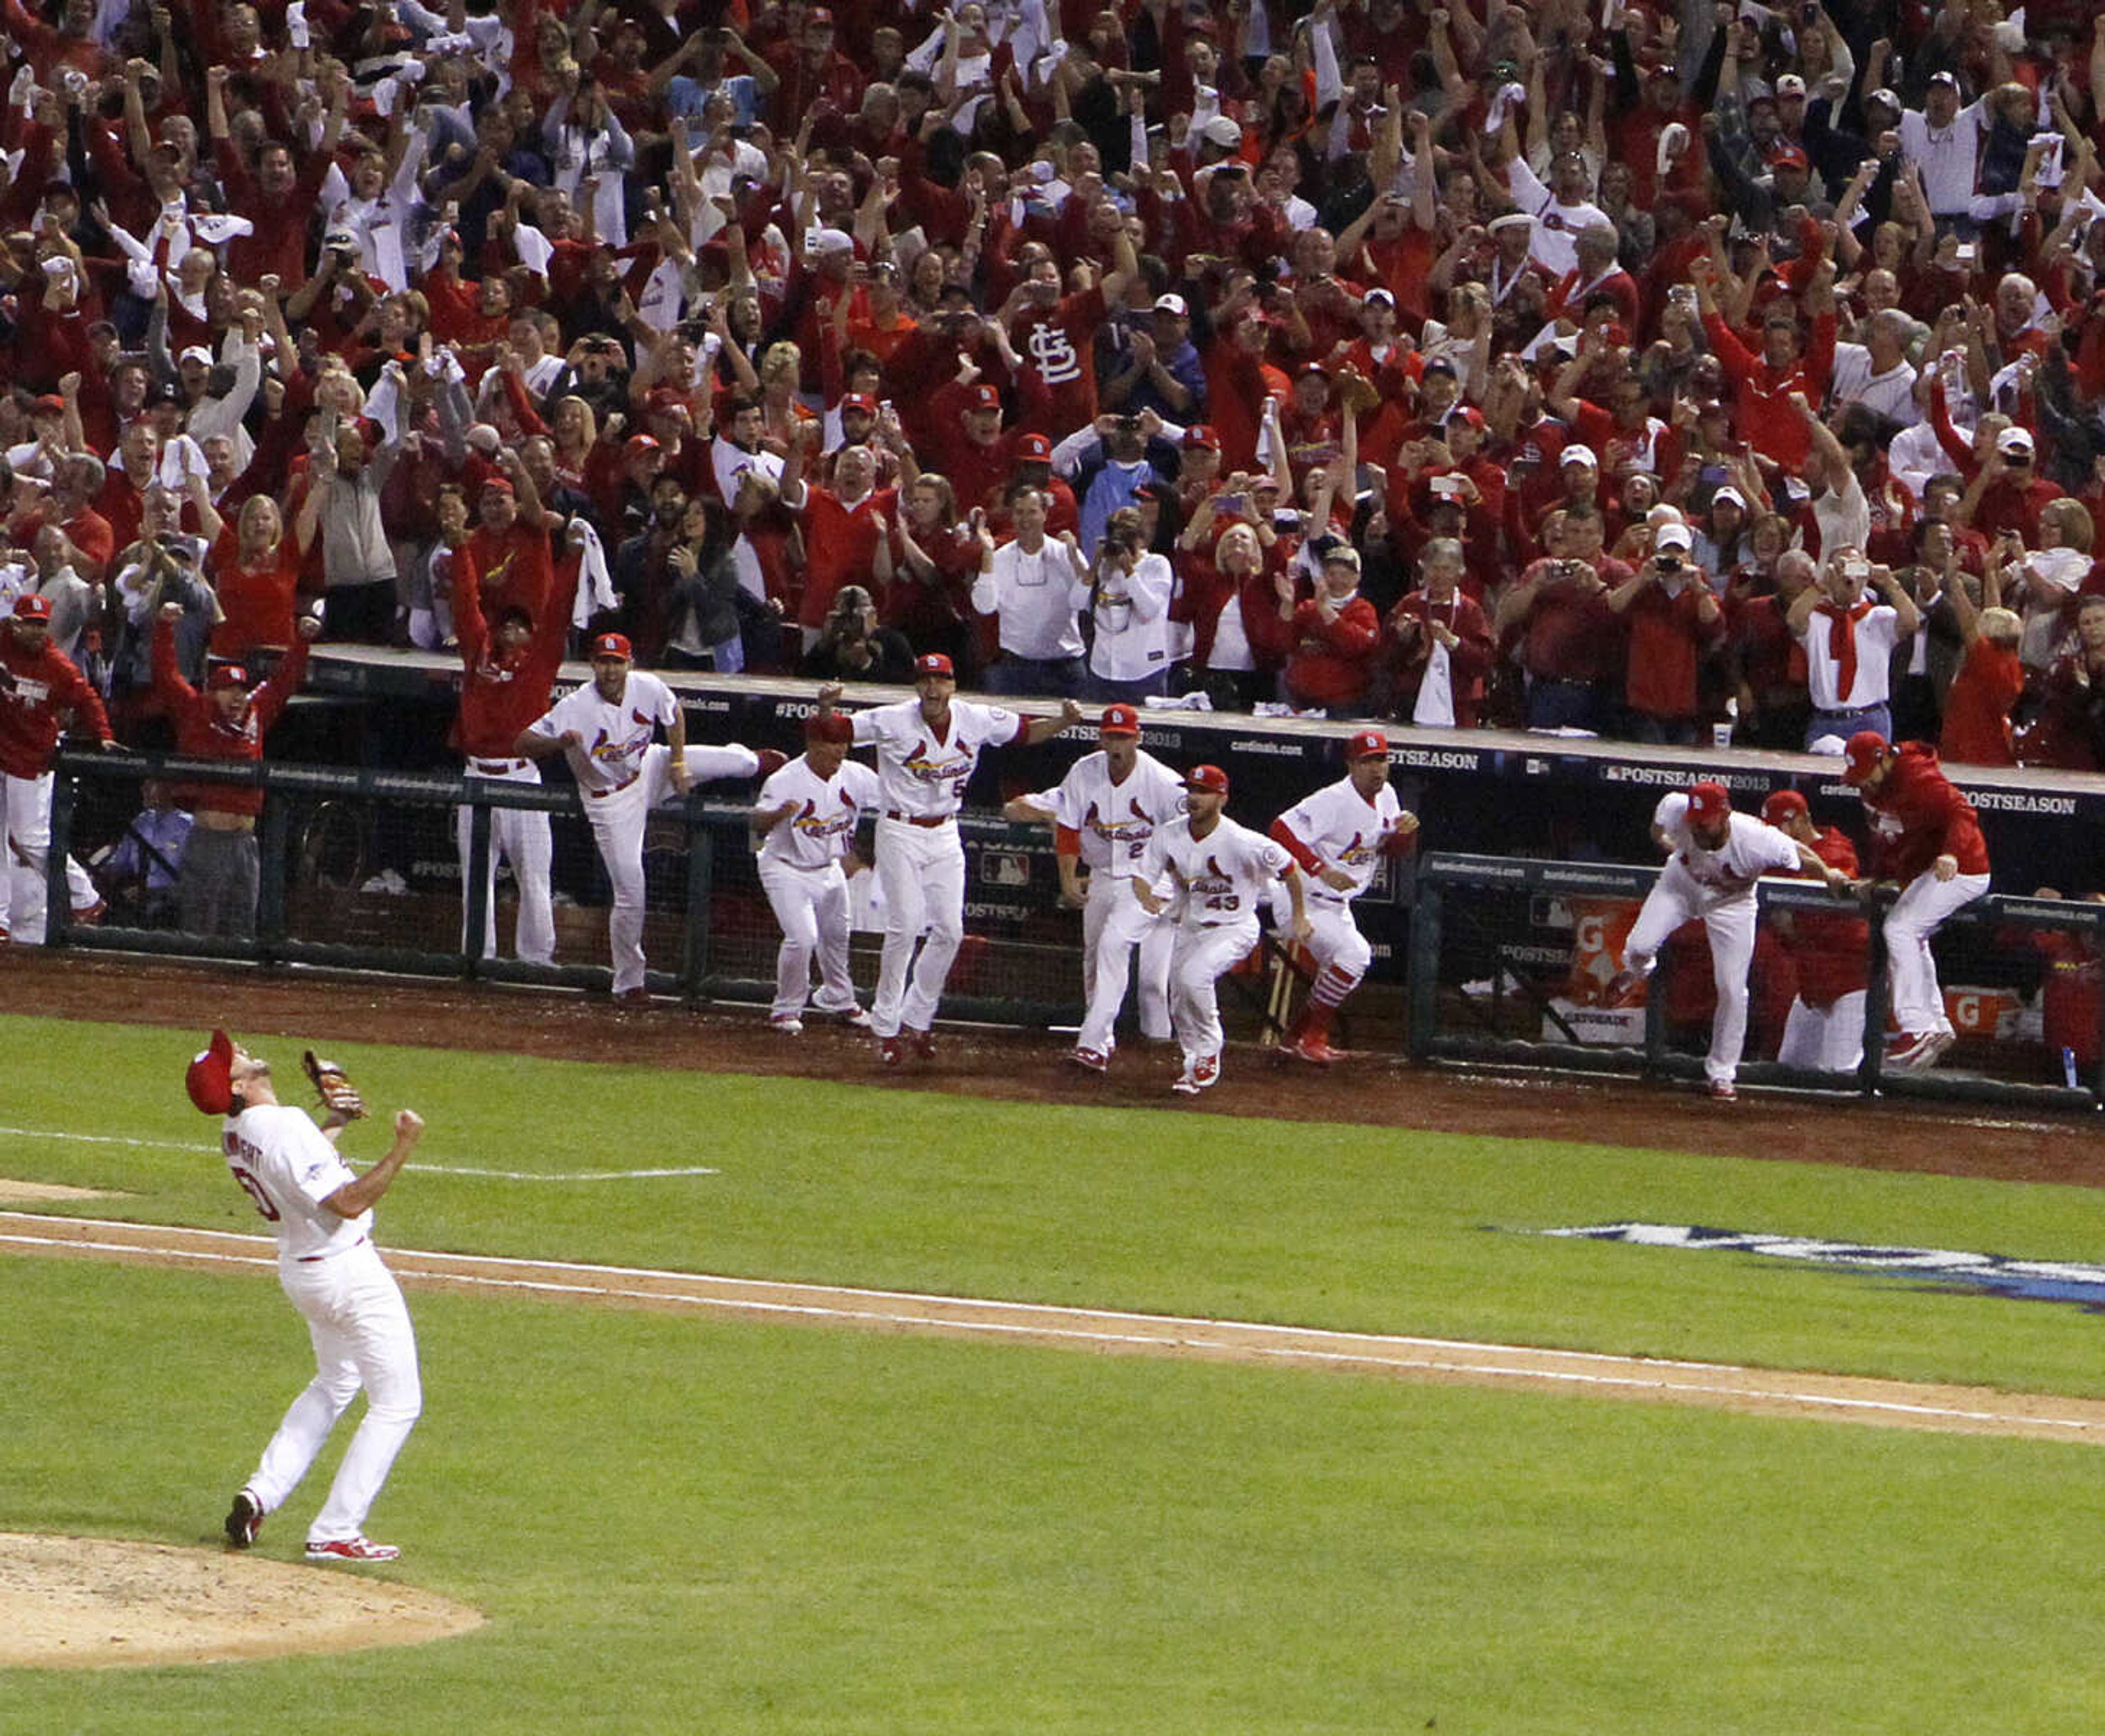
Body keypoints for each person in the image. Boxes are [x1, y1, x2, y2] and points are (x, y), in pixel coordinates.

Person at [190, 1031, 424, 1564]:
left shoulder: (236, 1130)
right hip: (348, 1274)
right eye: (236, 1058)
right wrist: (403, 1145)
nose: (244, 1051)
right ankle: (336, 1529)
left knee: (336, 1381)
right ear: (240, 1085)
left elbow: (297, 1171)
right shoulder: (283, 1123)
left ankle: (261, 1493)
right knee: (398, 1402)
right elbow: (345, 1200)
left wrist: (336, 1124)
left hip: (303, 1271)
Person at [816, 654, 1082, 1062]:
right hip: (900, 828)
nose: (933, 688)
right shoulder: (893, 719)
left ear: (953, 685)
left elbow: (1026, 733)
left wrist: (1064, 723)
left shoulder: (974, 718)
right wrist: (826, 707)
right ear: (917, 685)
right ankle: (886, 1028)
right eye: (926, 679)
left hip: (945, 831)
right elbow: (836, 730)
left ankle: (918, 1019)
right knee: (904, 928)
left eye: (941, 680)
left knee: (950, 931)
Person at [516, 631, 770, 1001]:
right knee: (632, 892)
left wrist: (680, 762)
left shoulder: (647, 685)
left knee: (742, 762)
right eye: (604, 661)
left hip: (648, 768)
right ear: (593, 665)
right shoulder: (574, 706)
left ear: (630, 663)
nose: (610, 669)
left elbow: (674, 713)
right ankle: (629, 981)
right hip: (609, 802)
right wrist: (558, 743)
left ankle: (763, 760)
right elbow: (522, 743)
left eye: (617, 661)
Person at [1604, 781, 1851, 1101]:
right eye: (1694, 823)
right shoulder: (1678, 807)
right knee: (1638, 948)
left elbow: (1801, 855)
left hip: (1731, 904)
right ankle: (1636, 973)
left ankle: (1722, 1073)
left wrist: (1829, 873)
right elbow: (1658, 827)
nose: (1698, 830)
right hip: (1680, 888)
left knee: (1733, 989)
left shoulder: (1755, 838)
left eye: (1705, 823)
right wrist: (1671, 845)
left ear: (1725, 814)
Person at [1003, 702, 1186, 1074]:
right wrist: (1068, 879)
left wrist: (1180, 889)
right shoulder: (1084, 772)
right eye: (1110, 736)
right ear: (1100, 738)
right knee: (1095, 959)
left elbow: (1189, 835)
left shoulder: (1164, 782)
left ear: (1139, 738)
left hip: (1149, 879)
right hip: (1103, 875)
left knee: (1119, 951)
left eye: (1123, 737)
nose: (1116, 744)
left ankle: (1096, 1046)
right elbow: (1067, 828)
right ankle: (1100, 1037)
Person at [1135, 764, 1310, 1096]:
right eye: (1191, 790)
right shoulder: (1169, 834)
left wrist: (1299, 916)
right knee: (1178, 1001)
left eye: (1203, 792)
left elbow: (1290, 868)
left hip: (1234, 927)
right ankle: (1193, 1065)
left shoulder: (1242, 841)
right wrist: (1147, 897)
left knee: (1194, 978)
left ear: (1222, 798)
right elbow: (1143, 875)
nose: (1194, 797)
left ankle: (1211, 1046)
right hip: (1191, 926)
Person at [450, 528, 579, 967]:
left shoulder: (540, 663)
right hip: (477, 777)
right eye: (506, 624)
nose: (512, 631)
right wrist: (462, 549)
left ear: (532, 633)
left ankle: (537, 959)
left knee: (535, 876)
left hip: (522, 778)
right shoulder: (478, 660)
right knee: (476, 878)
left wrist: (574, 556)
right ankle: (477, 956)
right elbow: (466, 606)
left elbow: (560, 610)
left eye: (521, 626)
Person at [151, 602, 315, 938]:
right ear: (213, 693)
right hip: (209, 836)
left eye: (241, 690)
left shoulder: (256, 714)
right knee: (200, 927)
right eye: (228, 689)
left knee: (242, 926)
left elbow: (284, 682)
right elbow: (166, 676)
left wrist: (302, 642)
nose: (237, 697)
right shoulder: (196, 712)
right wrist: (165, 629)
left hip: (245, 840)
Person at [1840, 731, 1993, 1071]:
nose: (1862, 783)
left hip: (1964, 870)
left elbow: (1963, 813)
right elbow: (1886, 837)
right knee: (1912, 935)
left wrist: (1951, 854)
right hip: (1927, 871)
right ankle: (1935, 1025)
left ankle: (1917, 1026)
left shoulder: (1917, 776)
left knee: (1899, 929)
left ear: (1885, 759)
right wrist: (1879, 878)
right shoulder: (1874, 789)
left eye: (1866, 774)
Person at [1267, 731, 1420, 1065]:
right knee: (1355, 955)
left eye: (1381, 759)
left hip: (1338, 905)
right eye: (1367, 761)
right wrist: (1320, 868)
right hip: (1303, 900)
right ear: (1351, 765)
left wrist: (1406, 834)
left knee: (1345, 969)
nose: (1376, 768)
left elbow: (1394, 850)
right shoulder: (1334, 799)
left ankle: (1295, 1037)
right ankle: (1313, 1038)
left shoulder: (1388, 796)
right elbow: (1280, 830)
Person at [0, 593, 119, 943]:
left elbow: (87, 699)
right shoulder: (3, 642)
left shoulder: (57, 666)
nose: (37, 632)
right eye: (30, 624)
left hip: (31, 759)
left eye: (42, 625)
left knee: (31, 839)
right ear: (15, 623)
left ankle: (86, 898)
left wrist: (104, 734)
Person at [750, 712, 880, 1034]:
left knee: (837, 938)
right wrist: (779, 815)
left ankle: (839, 998)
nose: (840, 751)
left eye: (843, 743)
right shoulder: (785, 779)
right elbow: (754, 826)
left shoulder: (855, 776)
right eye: (832, 743)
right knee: (802, 938)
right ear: (812, 744)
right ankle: (786, 1009)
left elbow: (893, 799)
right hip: (785, 868)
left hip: (830, 868)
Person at [1760, 789, 1871, 1075]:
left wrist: (1796, 923)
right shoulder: (1780, 857)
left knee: (1839, 1076)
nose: (1777, 835)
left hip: (1849, 984)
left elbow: (1836, 909)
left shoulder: (1836, 851)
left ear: (1802, 820)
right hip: (1811, 985)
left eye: (1782, 827)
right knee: (1788, 1070)